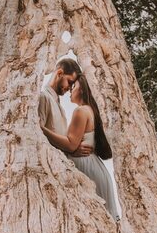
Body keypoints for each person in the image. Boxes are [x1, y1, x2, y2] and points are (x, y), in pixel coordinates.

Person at [40, 71, 118, 218]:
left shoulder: (80, 111)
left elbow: (70, 145)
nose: (70, 90)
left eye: (73, 85)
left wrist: (41, 129)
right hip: (95, 167)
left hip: (87, 168)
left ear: (81, 89)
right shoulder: (91, 110)